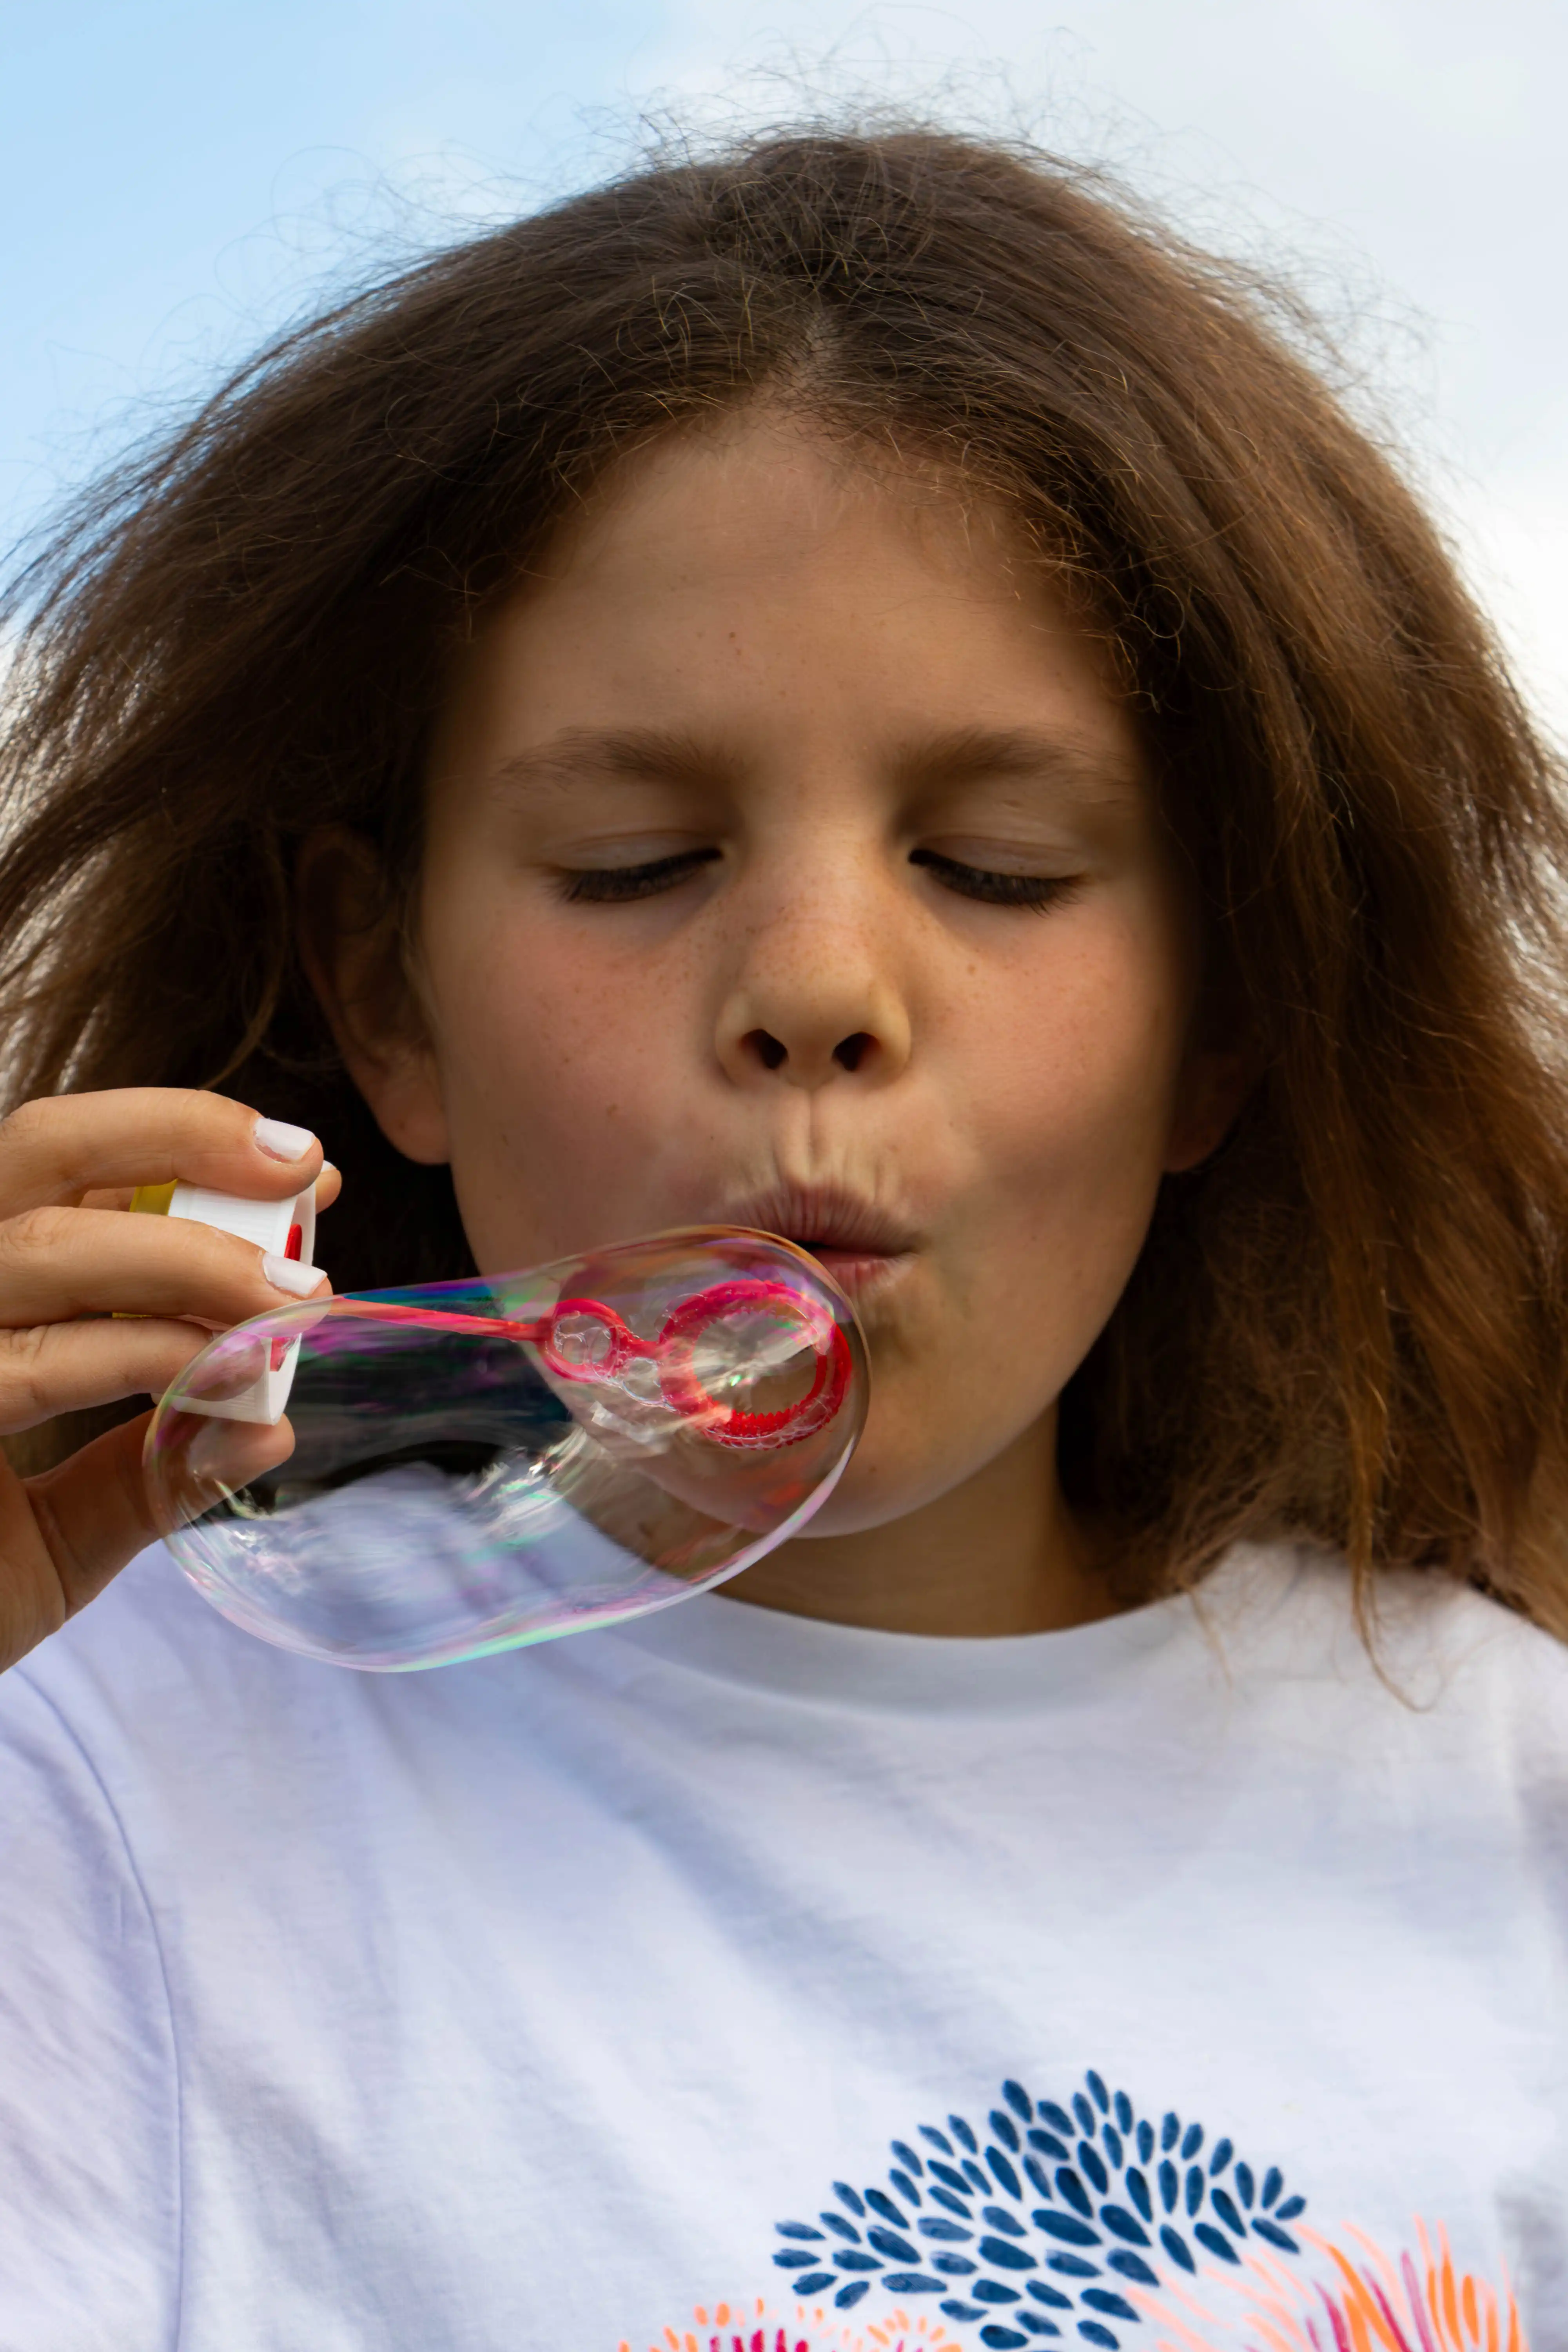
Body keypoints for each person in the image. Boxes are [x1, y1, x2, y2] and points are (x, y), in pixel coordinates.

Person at [0, 126, 1563, 2352]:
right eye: (637, 857)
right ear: (383, 994)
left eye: (1001, 866)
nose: (819, 978)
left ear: (1225, 1025)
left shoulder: (1517, 1812)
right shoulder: (103, 1775)